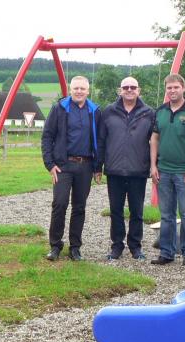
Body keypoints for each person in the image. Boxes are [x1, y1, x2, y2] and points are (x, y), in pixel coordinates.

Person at [41, 75, 102, 261]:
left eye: (82, 89)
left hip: (85, 165)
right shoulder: (59, 108)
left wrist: (97, 166)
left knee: (79, 207)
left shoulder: (95, 111)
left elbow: (100, 139)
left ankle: (75, 248)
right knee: (59, 204)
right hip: (63, 165)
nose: (79, 91)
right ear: (70, 89)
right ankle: (55, 246)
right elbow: (47, 137)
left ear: (88, 91)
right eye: (76, 88)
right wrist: (50, 165)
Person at [149, 73, 185, 267]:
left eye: (176, 87)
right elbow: (154, 139)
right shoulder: (160, 112)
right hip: (163, 171)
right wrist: (153, 165)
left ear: (183, 88)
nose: (172, 91)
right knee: (166, 214)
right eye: (169, 88)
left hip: (184, 173)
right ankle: (167, 251)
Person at [98, 76, 155, 261]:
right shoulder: (108, 112)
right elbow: (101, 140)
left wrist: (154, 165)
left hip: (138, 170)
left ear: (139, 90)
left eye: (133, 87)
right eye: (125, 87)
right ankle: (117, 246)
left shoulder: (148, 113)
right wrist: (98, 165)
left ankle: (135, 246)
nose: (129, 90)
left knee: (137, 211)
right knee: (116, 211)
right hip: (114, 170)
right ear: (119, 90)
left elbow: (155, 141)